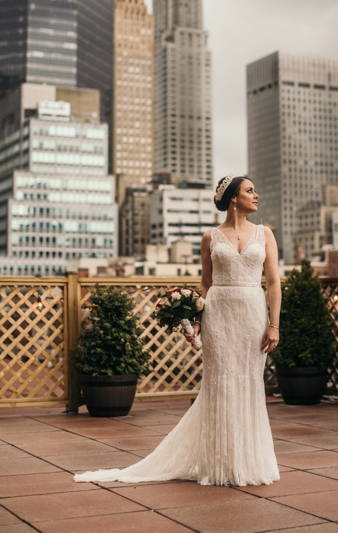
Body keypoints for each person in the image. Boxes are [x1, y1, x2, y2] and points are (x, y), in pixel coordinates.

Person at [75, 175, 281, 487]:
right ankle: (220, 463)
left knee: (249, 385)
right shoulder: (209, 238)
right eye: (250, 190)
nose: (257, 195)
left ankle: (248, 461)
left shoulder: (265, 233)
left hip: (253, 314)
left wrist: (274, 324)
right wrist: (196, 320)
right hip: (219, 316)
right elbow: (206, 284)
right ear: (233, 199)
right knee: (220, 384)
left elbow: (275, 281)